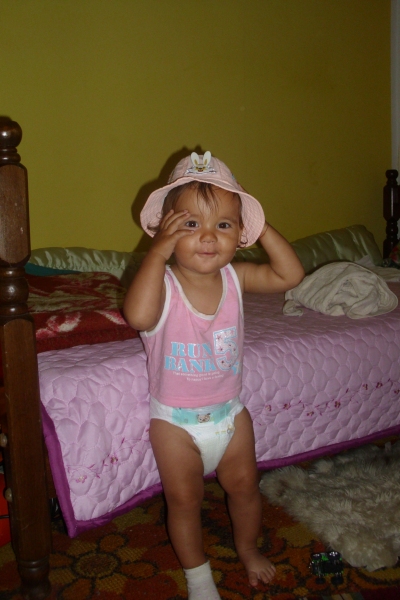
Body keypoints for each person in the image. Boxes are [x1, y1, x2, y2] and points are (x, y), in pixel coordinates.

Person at [123, 151, 305, 599]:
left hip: (230, 414)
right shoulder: (162, 285)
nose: (208, 236)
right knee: (185, 502)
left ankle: (247, 549)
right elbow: (138, 316)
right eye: (190, 224)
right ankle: (198, 577)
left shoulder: (236, 277)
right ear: (165, 230)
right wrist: (156, 254)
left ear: (239, 235)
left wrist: (260, 228)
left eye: (223, 225)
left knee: (245, 490)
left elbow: (290, 275)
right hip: (175, 423)